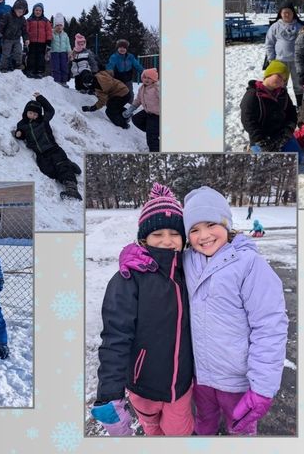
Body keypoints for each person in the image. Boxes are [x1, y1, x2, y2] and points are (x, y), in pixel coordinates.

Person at [181, 187, 287, 435]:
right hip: (201, 377)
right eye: (194, 230)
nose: (204, 236)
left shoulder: (249, 264)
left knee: (240, 430)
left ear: (226, 223)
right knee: (203, 424)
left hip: (237, 381)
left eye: (211, 225)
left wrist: (262, 387)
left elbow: (270, 325)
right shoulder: (187, 261)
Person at [92, 184, 194, 436]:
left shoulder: (192, 273)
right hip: (143, 385)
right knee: (151, 428)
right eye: (157, 233)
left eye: (174, 233)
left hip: (181, 386)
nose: (167, 241)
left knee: (179, 433)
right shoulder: (129, 278)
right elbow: (115, 337)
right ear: (143, 239)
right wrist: (109, 393)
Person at [13, 93, 83, 200]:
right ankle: (70, 165)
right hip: (41, 154)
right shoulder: (22, 124)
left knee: (61, 166)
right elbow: (22, 134)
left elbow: (51, 110)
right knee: (49, 172)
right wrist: (18, 134)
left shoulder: (43, 121)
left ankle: (71, 188)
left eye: (35, 114)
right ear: (26, 112)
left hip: (53, 149)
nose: (33, 116)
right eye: (30, 113)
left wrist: (40, 98)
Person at [239, 60, 299, 153]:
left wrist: (289, 128)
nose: (280, 80)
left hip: (280, 134)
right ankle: (251, 149)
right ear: (268, 74)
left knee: (296, 158)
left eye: (284, 79)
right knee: (269, 163)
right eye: (278, 75)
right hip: (262, 137)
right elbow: (248, 119)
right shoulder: (253, 94)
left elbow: (291, 112)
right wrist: (260, 140)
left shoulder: (282, 94)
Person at [264, 3, 304, 97]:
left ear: (293, 13)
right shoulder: (275, 27)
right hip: (280, 62)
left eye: (289, 12)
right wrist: (271, 59)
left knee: (299, 85)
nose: (287, 15)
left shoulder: (300, 26)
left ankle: (300, 106)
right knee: (280, 85)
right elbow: (269, 43)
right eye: (284, 12)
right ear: (280, 14)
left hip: (296, 61)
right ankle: (282, 106)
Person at [123, 68, 161, 152]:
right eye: (145, 77)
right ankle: (155, 132)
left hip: (157, 115)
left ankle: (155, 150)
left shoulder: (157, 88)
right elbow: (138, 100)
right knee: (136, 119)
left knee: (151, 137)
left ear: (154, 79)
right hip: (148, 111)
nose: (146, 80)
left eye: (149, 78)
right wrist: (131, 109)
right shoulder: (142, 88)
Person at [0, 0, 30, 73]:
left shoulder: (23, 20)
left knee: (18, 52)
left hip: (17, 39)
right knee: (6, 53)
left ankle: (17, 65)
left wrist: (26, 39)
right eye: (19, 10)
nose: (20, 12)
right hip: (7, 39)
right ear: (14, 8)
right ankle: (3, 67)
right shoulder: (7, 16)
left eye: (22, 11)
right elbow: (2, 24)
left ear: (24, 12)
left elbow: (24, 31)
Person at [25, 3, 54, 78]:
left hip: (42, 42)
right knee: (31, 56)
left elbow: (49, 31)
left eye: (39, 10)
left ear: (42, 11)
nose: (38, 12)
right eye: (36, 10)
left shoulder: (45, 21)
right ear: (33, 11)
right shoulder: (29, 20)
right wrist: (26, 38)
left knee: (40, 57)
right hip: (32, 42)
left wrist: (48, 40)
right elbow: (26, 30)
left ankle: (40, 71)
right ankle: (30, 70)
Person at [49, 13, 72, 86]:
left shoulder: (65, 35)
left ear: (63, 26)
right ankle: (57, 81)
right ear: (54, 26)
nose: (59, 27)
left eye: (60, 25)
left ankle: (64, 81)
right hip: (54, 52)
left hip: (63, 53)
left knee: (64, 67)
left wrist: (69, 52)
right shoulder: (52, 33)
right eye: (57, 25)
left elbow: (68, 44)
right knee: (56, 67)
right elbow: (49, 42)